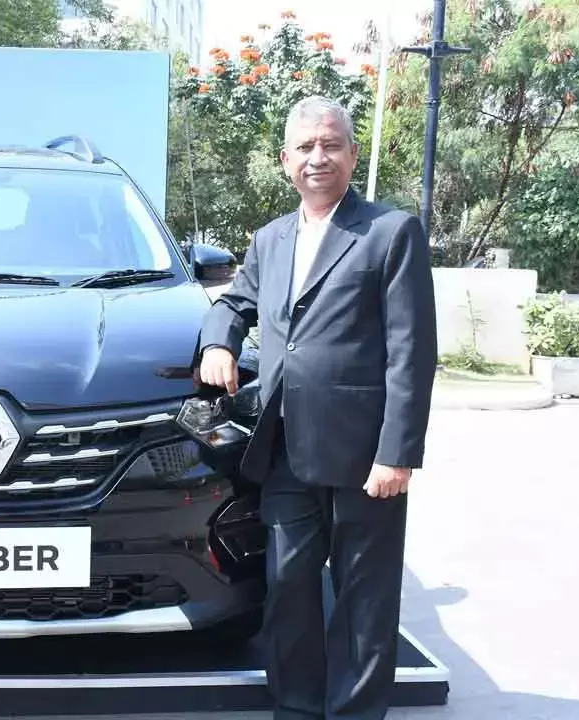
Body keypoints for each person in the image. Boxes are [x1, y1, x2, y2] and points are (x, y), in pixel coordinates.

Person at [197, 95, 438, 719]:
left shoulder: (389, 232)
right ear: (285, 160)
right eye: (305, 147)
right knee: (290, 591)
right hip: (284, 452)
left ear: (353, 154)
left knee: (364, 598)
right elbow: (231, 303)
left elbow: (412, 352)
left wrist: (397, 453)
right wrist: (218, 344)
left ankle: (355, 713)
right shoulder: (270, 239)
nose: (318, 157)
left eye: (331, 144)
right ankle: (298, 708)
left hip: (364, 457)